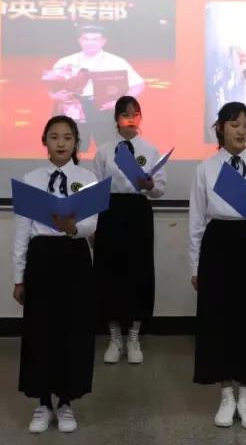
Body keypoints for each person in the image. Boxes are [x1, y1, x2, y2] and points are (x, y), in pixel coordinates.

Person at [190, 102, 246, 430]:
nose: (241, 131)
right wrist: (195, 266)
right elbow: (196, 221)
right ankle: (226, 394)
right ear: (220, 128)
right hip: (218, 243)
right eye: (234, 124)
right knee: (219, 320)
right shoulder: (206, 168)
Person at [14, 116, 101, 434]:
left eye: (67, 137)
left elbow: (92, 224)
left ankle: (65, 402)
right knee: (40, 330)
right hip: (41, 258)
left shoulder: (87, 177)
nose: (61, 143)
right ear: (44, 141)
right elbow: (21, 231)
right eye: (54, 137)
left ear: (76, 142)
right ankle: (42, 403)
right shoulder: (31, 179)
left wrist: (73, 227)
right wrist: (18, 276)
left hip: (74, 256)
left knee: (72, 330)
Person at [92, 96, 166, 366]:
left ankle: (134, 336)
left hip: (138, 213)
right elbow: (96, 190)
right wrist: (92, 226)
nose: (131, 118)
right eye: (125, 114)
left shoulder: (150, 150)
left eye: (135, 114)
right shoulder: (104, 151)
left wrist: (149, 185)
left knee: (139, 273)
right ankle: (115, 338)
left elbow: (160, 189)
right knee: (109, 273)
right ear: (116, 119)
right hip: (110, 213)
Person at [47, 26, 145, 152]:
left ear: (103, 41)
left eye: (95, 39)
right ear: (80, 40)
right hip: (73, 108)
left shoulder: (116, 61)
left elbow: (138, 84)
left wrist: (119, 103)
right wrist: (56, 96)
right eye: (86, 39)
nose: (90, 42)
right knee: (71, 148)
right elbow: (51, 85)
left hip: (105, 108)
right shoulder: (65, 61)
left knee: (111, 148)